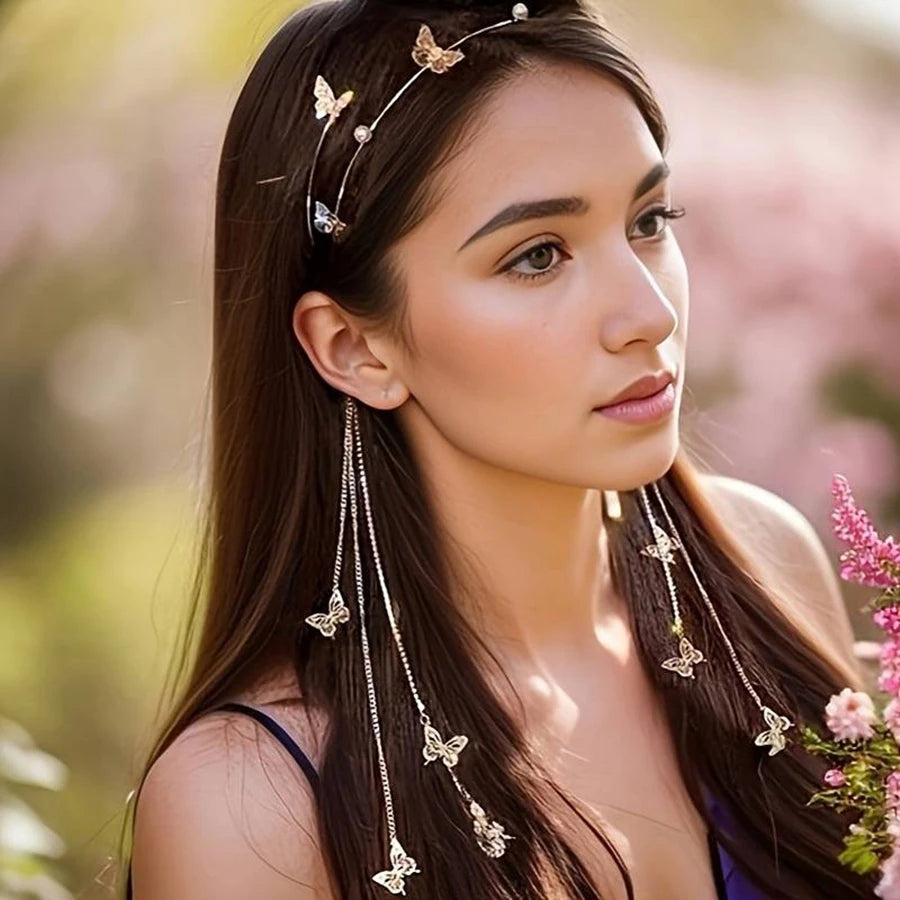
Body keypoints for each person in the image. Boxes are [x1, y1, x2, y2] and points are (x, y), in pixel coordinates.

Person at [125, 0, 875, 896]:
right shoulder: (253, 801)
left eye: (649, 219)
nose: (651, 314)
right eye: (537, 256)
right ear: (355, 348)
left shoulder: (768, 569)